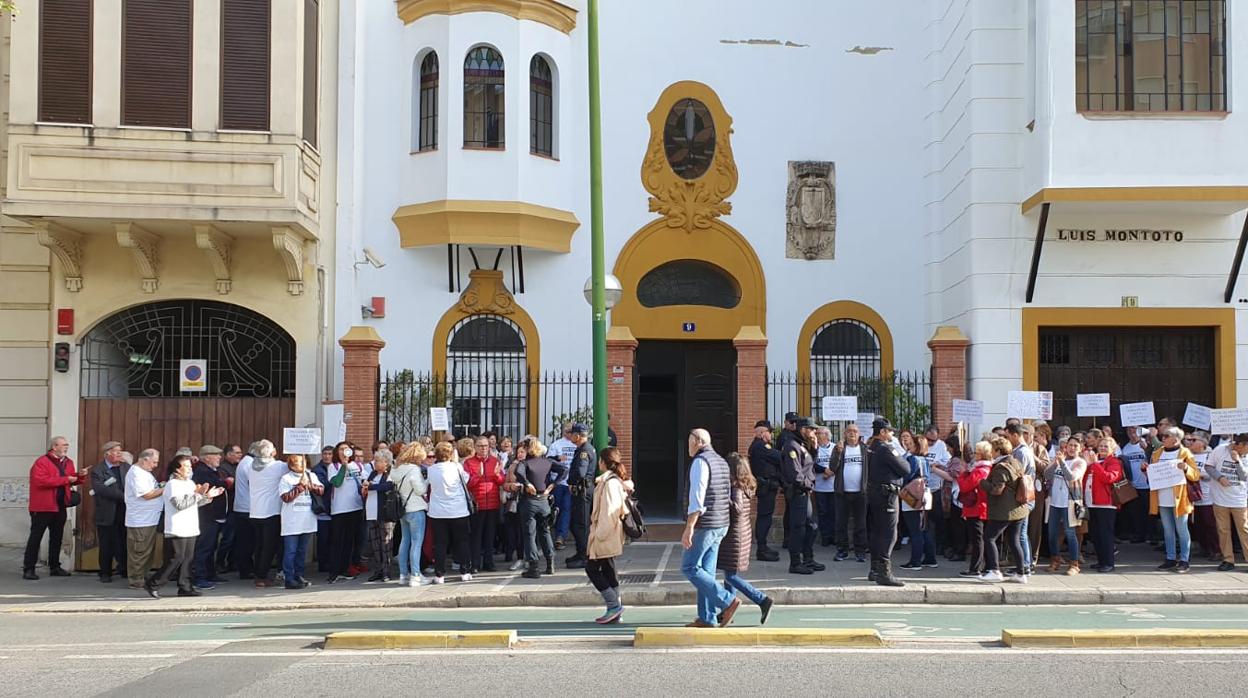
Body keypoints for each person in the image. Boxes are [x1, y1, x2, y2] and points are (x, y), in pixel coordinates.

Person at [680, 428, 741, 628]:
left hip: (706, 524)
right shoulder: (721, 461)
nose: (688, 446)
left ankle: (726, 600)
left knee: (689, 567)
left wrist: (690, 526)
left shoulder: (700, 462)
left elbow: (697, 496)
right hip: (721, 522)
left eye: (690, 441)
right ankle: (707, 617)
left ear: (698, 442)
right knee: (706, 571)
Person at [146, 455, 222, 598]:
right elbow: (179, 504)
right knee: (176, 557)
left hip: (190, 525)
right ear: (177, 469)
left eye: (189, 466)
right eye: (186, 466)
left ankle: (185, 586)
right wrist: (199, 496)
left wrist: (209, 496)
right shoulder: (172, 484)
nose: (189, 469)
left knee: (188, 558)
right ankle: (154, 582)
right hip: (177, 526)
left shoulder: (190, 483)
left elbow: (195, 503)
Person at [717, 452, 775, 626]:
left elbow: (738, 509)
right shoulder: (746, 485)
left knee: (730, 576)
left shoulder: (735, 487)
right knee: (730, 573)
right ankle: (727, 610)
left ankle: (762, 600)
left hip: (735, 535)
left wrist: (723, 497)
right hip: (741, 533)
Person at [1143, 426, 1200, 573]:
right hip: (1162, 496)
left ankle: (1184, 560)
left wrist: (1186, 468)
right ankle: (1170, 558)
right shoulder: (1157, 453)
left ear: (1176, 439)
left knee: (1182, 529)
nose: (1163, 438)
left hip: (1179, 498)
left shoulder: (1185, 453)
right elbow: (1152, 475)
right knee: (1167, 530)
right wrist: (1146, 469)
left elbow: (1195, 475)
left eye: (1166, 436)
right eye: (1163, 436)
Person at [586, 446, 632, 624]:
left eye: (600, 460)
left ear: (604, 462)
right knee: (608, 568)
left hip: (605, 533)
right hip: (608, 533)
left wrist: (599, 535)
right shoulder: (609, 481)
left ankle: (614, 605)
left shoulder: (610, 483)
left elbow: (610, 512)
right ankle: (615, 608)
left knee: (592, 568)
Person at [23, 436, 79, 580]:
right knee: (36, 538)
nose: (66, 447)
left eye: (67, 445)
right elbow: (41, 481)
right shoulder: (42, 462)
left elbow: (71, 478)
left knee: (57, 537)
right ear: (54, 447)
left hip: (60, 505)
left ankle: (55, 566)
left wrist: (80, 477)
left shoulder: (68, 462)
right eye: (64, 445)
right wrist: (66, 479)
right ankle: (28, 568)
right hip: (43, 506)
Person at [979, 437, 1029, 584]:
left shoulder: (1001, 467)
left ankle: (994, 571)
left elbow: (997, 490)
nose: (991, 453)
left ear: (998, 451)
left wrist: (983, 483)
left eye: (993, 450)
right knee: (1014, 540)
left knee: (989, 537)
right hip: (1018, 509)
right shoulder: (1015, 462)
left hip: (1003, 511)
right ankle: (1021, 573)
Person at [866, 418, 910, 587]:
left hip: (875, 494)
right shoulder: (885, 449)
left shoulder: (871, 447)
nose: (893, 434)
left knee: (877, 532)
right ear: (882, 432)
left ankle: (875, 569)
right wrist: (900, 452)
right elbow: (906, 469)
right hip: (887, 496)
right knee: (889, 534)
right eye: (890, 431)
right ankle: (884, 572)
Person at [427, 441, 474, 583]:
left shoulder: (431, 469)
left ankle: (439, 574)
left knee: (440, 544)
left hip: (437, 512)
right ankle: (465, 572)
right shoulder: (457, 467)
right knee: (462, 542)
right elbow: (466, 479)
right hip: (458, 510)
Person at [780, 417, 820, 574]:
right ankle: (795, 563)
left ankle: (808, 559)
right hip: (798, 492)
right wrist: (809, 485)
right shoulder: (791, 446)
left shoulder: (802, 445)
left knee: (811, 526)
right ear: (803, 429)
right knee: (798, 528)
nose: (814, 432)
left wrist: (815, 448)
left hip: (805, 492)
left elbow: (809, 466)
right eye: (811, 429)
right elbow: (795, 474)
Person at [278, 454, 323, 590]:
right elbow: (286, 497)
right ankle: (289, 577)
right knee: (291, 550)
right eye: (299, 463)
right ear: (291, 465)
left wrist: (311, 486)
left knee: (302, 550)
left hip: (307, 518)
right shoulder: (286, 478)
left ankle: (299, 574)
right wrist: (300, 487)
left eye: (303, 463)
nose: (302, 466)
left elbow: (321, 490)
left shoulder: (310, 475)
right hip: (292, 519)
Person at [515, 438, 558, 579]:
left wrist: (527, 484)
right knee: (545, 532)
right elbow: (564, 469)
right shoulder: (547, 462)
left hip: (529, 501)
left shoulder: (525, 463)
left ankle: (533, 567)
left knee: (530, 534)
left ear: (527, 449)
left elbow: (519, 473)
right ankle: (550, 563)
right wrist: (553, 484)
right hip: (544, 500)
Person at [247, 440, 288, 588]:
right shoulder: (277, 466)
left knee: (259, 545)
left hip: (255, 511)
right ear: (272, 452)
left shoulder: (251, 466)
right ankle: (262, 576)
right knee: (269, 546)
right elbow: (295, 468)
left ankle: (258, 573)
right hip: (271, 511)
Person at [1206, 433, 1248, 571]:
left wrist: (1237, 461)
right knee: (1223, 530)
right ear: (1240, 445)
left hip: (1239, 498)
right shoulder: (1220, 450)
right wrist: (1219, 477)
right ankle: (1228, 560)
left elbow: (1243, 477)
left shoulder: (1244, 456)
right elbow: (1209, 466)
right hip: (1220, 498)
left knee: (1244, 529)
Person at [1045, 436, 1086, 575]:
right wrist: (1055, 463)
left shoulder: (1080, 462)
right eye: (1070, 445)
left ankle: (1074, 563)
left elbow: (1072, 477)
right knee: (1052, 533)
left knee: (1070, 533)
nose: (1072, 448)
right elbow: (1047, 475)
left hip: (1069, 502)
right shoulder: (1060, 460)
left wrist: (1062, 463)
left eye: (1075, 445)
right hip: (1055, 502)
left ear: (1080, 448)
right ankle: (1055, 559)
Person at [191, 445, 230, 589]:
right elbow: (211, 487)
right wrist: (226, 483)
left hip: (215, 516)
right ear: (207, 457)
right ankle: (199, 577)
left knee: (211, 546)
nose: (220, 457)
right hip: (207, 516)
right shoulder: (202, 472)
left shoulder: (211, 471)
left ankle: (210, 573)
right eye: (216, 455)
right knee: (204, 547)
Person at [326, 441, 365, 583]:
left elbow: (364, 481)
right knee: (337, 541)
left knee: (350, 541)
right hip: (339, 509)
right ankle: (334, 571)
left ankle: (345, 568)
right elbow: (336, 482)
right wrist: (344, 465)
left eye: (346, 449)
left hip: (355, 507)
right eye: (341, 449)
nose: (344, 451)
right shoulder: (333, 466)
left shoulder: (358, 466)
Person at [464, 436, 505, 573]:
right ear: (475, 447)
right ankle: (475, 564)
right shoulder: (469, 463)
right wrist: (478, 476)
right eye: (480, 446)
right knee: (476, 536)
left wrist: (497, 475)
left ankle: (489, 562)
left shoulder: (495, 461)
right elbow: (467, 484)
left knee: (490, 535)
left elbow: (501, 481)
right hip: (477, 504)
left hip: (493, 504)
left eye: (486, 446)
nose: (483, 448)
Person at [125, 449, 164, 589]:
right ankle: (136, 579)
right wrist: (166, 488)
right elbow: (146, 495)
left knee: (147, 550)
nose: (155, 465)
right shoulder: (136, 473)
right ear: (143, 459)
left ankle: (142, 575)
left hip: (149, 518)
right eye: (154, 462)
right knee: (139, 550)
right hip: (140, 520)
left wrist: (161, 487)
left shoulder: (144, 472)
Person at [90, 440, 128, 583]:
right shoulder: (98, 470)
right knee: (107, 544)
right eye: (116, 451)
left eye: (120, 451)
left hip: (124, 512)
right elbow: (101, 489)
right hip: (107, 512)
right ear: (107, 454)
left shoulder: (126, 467)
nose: (119, 454)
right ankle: (105, 572)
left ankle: (124, 568)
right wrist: (124, 497)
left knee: (124, 542)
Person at [830, 423, 868, 563]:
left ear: (859, 434)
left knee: (860, 524)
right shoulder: (839, 448)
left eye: (855, 431)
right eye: (849, 431)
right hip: (842, 492)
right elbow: (832, 467)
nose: (852, 433)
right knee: (841, 523)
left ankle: (860, 551)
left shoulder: (864, 449)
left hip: (861, 493)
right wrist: (838, 453)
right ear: (844, 434)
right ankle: (842, 551)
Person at [393, 443, 430, 586]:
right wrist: (427, 481)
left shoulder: (396, 469)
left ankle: (403, 574)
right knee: (416, 542)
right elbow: (420, 490)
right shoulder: (414, 470)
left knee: (405, 541)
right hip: (416, 508)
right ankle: (416, 575)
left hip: (402, 509)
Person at [1085, 437, 1124, 572]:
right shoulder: (1095, 461)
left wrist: (1095, 464)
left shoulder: (1114, 462)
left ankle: (1108, 563)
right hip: (1092, 502)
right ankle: (1101, 561)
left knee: (1105, 534)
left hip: (1106, 503)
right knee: (1095, 534)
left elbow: (1109, 478)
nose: (1102, 448)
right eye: (1101, 446)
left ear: (1112, 449)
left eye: (1106, 446)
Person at [899, 434, 936, 571]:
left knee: (915, 530)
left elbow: (907, 475)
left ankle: (915, 561)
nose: (908, 445)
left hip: (913, 495)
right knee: (924, 528)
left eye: (911, 443)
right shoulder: (924, 459)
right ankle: (930, 558)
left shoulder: (912, 459)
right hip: (925, 494)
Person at [748, 420, 783, 562]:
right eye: (770, 432)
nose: (771, 435)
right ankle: (761, 549)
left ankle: (764, 547)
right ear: (762, 433)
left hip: (768, 486)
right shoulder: (760, 446)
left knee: (765, 517)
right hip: (766, 487)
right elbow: (779, 457)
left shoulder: (759, 446)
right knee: (764, 517)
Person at [956, 442, 993, 577]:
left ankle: (975, 568)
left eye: (977, 452)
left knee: (978, 540)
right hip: (983, 507)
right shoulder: (988, 468)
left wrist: (962, 474)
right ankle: (987, 567)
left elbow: (965, 486)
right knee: (984, 539)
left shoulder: (979, 470)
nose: (974, 455)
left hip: (976, 508)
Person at [564, 424, 597, 569]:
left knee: (581, 524)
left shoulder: (584, 451)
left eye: (572, 434)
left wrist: (571, 482)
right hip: (582, 489)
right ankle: (580, 552)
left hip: (583, 490)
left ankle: (585, 556)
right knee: (575, 523)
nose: (570, 436)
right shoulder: (584, 448)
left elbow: (581, 472)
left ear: (578, 435)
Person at [1005, 424, 1037, 575]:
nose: (1008, 439)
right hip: (1024, 496)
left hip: (1023, 496)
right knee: (1021, 532)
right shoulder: (1022, 450)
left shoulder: (1022, 452)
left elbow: (1018, 474)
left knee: (1021, 533)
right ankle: (1026, 563)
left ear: (1015, 435)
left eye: (1008, 436)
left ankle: (1025, 565)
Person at [363, 449, 397, 582]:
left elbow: (387, 486)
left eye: (378, 461)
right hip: (371, 512)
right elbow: (366, 483)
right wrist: (366, 485)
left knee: (386, 543)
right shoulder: (372, 473)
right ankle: (378, 569)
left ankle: (387, 571)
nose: (375, 463)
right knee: (375, 544)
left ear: (386, 463)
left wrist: (371, 486)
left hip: (384, 513)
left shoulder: (390, 474)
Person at [1186, 432, 1220, 561]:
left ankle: (1216, 550)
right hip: (1194, 497)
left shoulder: (1211, 456)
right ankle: (1204, 548)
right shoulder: (1189, 456)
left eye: (1194, 440)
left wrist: (1200, 476)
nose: (1190, 443)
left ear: (1203, 443)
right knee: (1198, 525)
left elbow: (1216, 473)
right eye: (1189, 440)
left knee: (1210, 524)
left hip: (1208, 496)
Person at [231, 441, 260, 580]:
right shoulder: (249, 464)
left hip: (244, 506)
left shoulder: (246, 462)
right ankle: (245, 569)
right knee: (247, 541)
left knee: (246, 540)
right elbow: (255, 483)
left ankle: (246, 567)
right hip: (246, 507)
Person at [1120, 426, 1153, 544]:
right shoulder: (1126, 448)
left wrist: (1147, 449)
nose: (1132, 433)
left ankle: (1151, 535)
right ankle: (1139, 534)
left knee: (1149, 511)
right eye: (1129, 431)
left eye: (1134, 431)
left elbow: (1153, 458)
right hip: (1133, 485)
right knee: (1135, 512)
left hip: (1147, 484)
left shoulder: (1146, 444)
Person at [215, 443, 243, 574]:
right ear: (228, 455)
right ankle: (220, 563)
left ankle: (233, 562)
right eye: (237, 453)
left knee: (237, 537)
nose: (240, 455)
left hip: (239, 506)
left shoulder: (239, 466)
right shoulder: (223, 469)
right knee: (228, 538)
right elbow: (224, 485)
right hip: (229, 507)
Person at [548, 423, 576, 550]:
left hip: (570, 483)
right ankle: (552, 535)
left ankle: (560, 536)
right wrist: (557, 458)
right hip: (558, 482)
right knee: (556, 509)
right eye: (568, 430)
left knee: (566, 509)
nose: (570, 433)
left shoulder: (577, 444)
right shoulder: (556, 445)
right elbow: (548, 461)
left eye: (572, 431)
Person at [812, 426, 836, 547]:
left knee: (833, 512)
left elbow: (839, 462)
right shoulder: (814, 449)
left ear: (826, 435)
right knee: (822, 512)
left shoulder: (834, 448)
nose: (816, 435)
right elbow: (811, 464)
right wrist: (824, 470)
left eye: (819, 433)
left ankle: (833, 536)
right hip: (819, 487)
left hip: (833, 486)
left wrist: (831, 472)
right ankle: (825, 537)